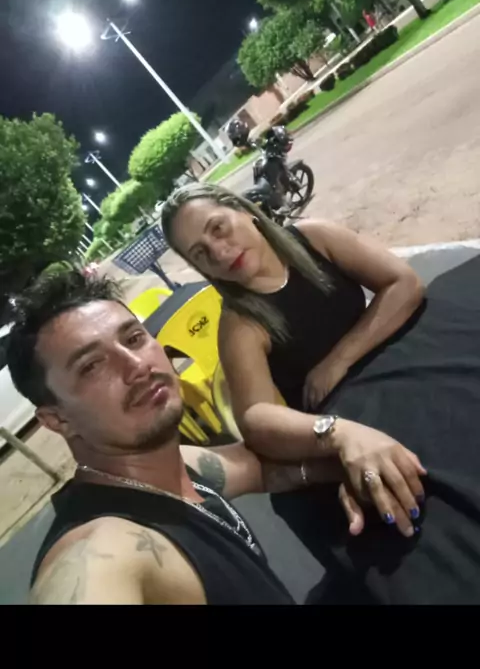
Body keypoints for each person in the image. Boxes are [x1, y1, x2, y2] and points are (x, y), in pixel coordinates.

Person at [7, 271, 419, 606]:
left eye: (133, 338)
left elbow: (269, 469)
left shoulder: (175, 465)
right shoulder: (100, 548)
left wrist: (349, 450)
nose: (136, 366)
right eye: (92, 366)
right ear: (56, 419)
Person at [160, 184, 480, 604]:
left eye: (218, 228)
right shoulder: (240, 323)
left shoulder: (315, 239)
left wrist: (338, 360)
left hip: (399, 366)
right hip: (351, 417)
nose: (220, 252)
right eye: (201, 253)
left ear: (244, 210)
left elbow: (402, 282)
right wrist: (335, 433)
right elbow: (255, 418)